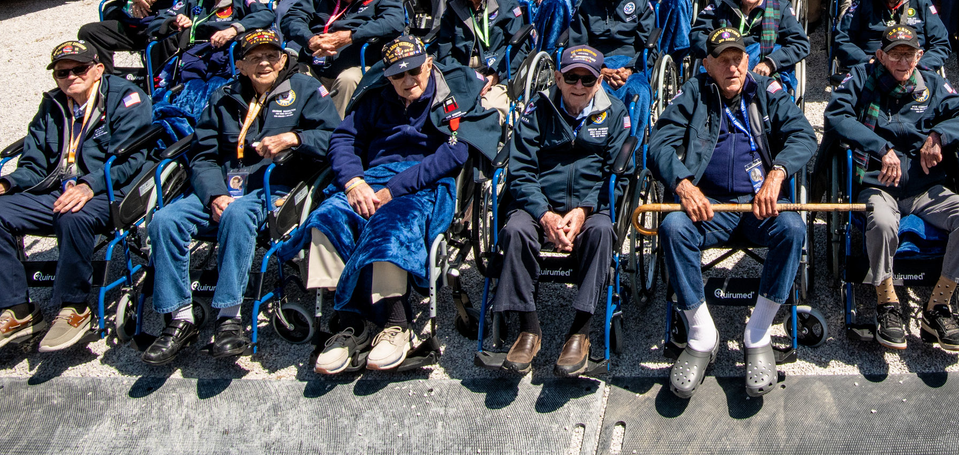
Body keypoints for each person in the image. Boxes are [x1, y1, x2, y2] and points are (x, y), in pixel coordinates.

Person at [141, 30, 340, 365]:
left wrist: (294, 138)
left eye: (270, 56)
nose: (264, 63)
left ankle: (229, 317)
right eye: (254, 58)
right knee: (164, 220)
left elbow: (335, 139)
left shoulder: (305, 89)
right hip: (223, 184)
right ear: (241, 65)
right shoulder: (223, 96)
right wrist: (214, 194)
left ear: (281, 59)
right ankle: (181, 318)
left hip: (273, 185)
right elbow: (203, 155)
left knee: (238, 216)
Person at [307, 37, 505, 375]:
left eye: (414, 71)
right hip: (372, 176)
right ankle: (351, 322)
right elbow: (343, 138)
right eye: (399, 75)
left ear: (428, 64)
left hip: (422, 182)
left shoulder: (447, 97)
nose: (408, 80)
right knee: (326, 217)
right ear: (387, 77)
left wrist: (393, 190)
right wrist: (354, 182)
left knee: (390, 226)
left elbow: (455, 152)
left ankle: (396, 323)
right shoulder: (376, 100)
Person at [652, 27, 817, 399]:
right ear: (707, 65)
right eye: (722, 60)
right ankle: (701, 333)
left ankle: (757, 334)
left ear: (748, 61)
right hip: (708, 204)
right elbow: (658, 143)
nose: (732, 67)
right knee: (673, 227)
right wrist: (683, 184)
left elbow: (804, 135)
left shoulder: (767, 91)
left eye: (738, 59)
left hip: (759, 203)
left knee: (792, 228)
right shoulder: (694, 93)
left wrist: (777, 174)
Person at [0, 40, 153, 355]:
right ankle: (17, 311)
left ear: (98, 70)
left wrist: (89, 185)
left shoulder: (126, 99)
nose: (71, 77)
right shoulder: (53, 105)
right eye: (63, 72)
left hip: (110, 187)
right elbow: (33, 164)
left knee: (73, 214)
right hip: (57, 188)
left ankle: (75, 307)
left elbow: (130, 159)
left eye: (80, 69)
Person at [826, 25, 959, 351]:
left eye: (909, 54)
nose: (902, 61)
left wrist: (940, 135)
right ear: (880, 55)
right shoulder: (861, 78)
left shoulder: (931, 82)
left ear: (920, 56)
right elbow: (836, 115)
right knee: (882, 221)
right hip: (879, 184)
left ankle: (939, 305)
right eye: (895, 53)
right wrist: (879, 147)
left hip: (925, 187)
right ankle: (887, 302)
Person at [490, 45, 632, 376]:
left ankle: (579, 332)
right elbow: (521, 171)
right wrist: (545, 214)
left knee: (601, 232)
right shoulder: (537, 110)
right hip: (540, 202)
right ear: (558, 77)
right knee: (514, 231)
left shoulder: (614, 112)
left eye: (587, 79)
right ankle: (529, 329)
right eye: (571, 77)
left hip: (589, 204)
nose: (578, 86)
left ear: (599, 81)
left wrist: (584, 210)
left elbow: (618, 176)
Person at [282, 0, 407, 110]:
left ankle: (336, 131)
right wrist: (310, 39)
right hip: (314, 63)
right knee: (291, 75)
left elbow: (394, 22)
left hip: (358, 65)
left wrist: (351, 36)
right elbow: (291, 18)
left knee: (347, 80)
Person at [156, 0, 272, 89]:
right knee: (191, 88)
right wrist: (175, 20)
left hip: (229, 57)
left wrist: (234, 29)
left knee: (216, 87)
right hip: (195, 56)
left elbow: (265, 14)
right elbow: (158, 21)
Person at [560, 0, 657, 114]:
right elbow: (578, 43)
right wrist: (600, 70)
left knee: (639, 92)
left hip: (630, 63)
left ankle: (634, 139)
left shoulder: (640, 2)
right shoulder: (585, 4)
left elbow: (647, 45)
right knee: (593, 92)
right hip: (595, 64)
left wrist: (629, 69)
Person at [689, 0, 810, 86]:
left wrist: (771, 63)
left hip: (762, 64)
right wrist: (718, 54)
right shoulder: (720, 5)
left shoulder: (781, 9)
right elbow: (697, 34)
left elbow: (800, 43)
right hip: (725, 61)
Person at [835, 0, 953, 74]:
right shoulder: (862, 2)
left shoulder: (922, 2)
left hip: (914, 69)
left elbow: (941, 43)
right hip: (872, 68)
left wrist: (921, 65)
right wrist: (866, 61)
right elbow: (842, 39)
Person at [435, 0, 531, 82]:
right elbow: (445, 49)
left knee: (488, 102)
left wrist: (495, 75)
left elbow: (518, 49)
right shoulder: (452, 6)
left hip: (496, 71)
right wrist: (460, 74)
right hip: (463, 73)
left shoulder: (507, 4)